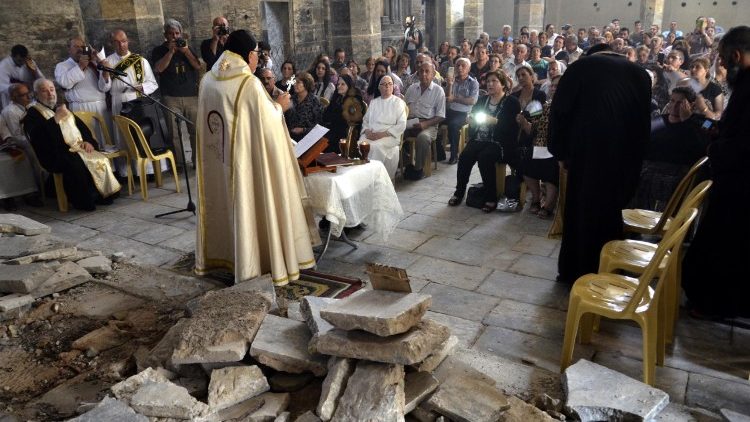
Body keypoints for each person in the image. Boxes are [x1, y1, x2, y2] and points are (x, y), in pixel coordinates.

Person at [195, 29, 315, 288]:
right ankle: (252, 262)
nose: (257, 61)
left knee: (224, 204)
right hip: (244, 165)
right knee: (247, 205)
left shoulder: (208, 80)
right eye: (257, 55)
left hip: (218, 161)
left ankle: (227, 256)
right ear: (250, 54)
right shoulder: (247, 83)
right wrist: (280, 106)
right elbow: (266, 123)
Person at [548, 46, 652, 285]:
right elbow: (643, 123)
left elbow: (559, 112)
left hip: (587, 154)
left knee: (581, 213)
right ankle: (610, 269)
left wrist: (560, 151)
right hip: (624, 157)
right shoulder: (640, 74)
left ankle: (578, 272)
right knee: (610, 212)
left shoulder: (580, 67)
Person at [683, 26, 750, 319]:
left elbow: (743, 143)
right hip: (735, 180)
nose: (720, 65)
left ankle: (714, 304)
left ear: (736, 55)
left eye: (722, 59)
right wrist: (713, 127)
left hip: (740, 185)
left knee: (726, 248)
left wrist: (716, 149)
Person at [23, 79, 120, 211]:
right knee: (76, 163)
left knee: (98, 157)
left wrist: (88, 141)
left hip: (77, 148)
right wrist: (55, 119)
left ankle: (103, 194)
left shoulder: (60, 108)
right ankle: (85, 200)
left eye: (51, 89)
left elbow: (82, 129)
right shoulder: (32, 114)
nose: (50, 93)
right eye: (44, 91)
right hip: (54, 154)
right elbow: (39, 139)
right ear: (36, 94)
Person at [448, 70, 520, 212]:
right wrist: (471, 120)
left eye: (494, 81)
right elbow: (474, 118)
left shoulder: (511, 102)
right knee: (464, 157)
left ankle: (491, 196)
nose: (490, 84)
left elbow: (512, 127)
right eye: (488, 82)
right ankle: (459, 192)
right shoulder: (482, 100)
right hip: (480, 138)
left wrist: (494, 121)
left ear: (503, 84)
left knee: (485, 158)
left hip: (499, 142)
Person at [630, 86, 709, 211]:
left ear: (691, 105)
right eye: (672, 101)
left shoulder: (702, 122)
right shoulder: (657, 121)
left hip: (679, 172)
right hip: (650, 168)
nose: (674, 106)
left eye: (680, 103)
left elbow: (706, 141)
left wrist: (687, 121)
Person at [106, 29, 159, 176]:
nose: (121, 45)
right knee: (123, 136)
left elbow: (153, 84)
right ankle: (127, 172)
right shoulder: (107, 62)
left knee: (140, 134)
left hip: (137, 102)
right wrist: (105, 75)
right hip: (118, 102)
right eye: (117, 42)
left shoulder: (140, 61)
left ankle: (147, 171)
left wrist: (141, 87)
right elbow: (103, 87)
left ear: (127, 41)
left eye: (123, 41)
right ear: (112, 44)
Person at [152, 19, 201, 169]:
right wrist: (171, 52)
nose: (174, 36)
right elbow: (159, 69)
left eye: (177, 33)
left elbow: (198, 66)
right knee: (174, 134)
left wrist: (185, 51)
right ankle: (180, 164)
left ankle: (197, 162)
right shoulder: (159, 50)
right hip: (170, 96)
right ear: (165, 35)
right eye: (171, 34)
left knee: (195, 130)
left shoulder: (188, 48)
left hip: (191, 95)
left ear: (181, 34)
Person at [517, 75, 561, 218]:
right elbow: (533, 130)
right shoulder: (546, 105)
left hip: (557, 147)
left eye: (557, 86)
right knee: (526, 166)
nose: (554, 88)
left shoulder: (568, 107)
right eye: (552, 86)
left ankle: (549, 205)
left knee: (550, 171)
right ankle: (536, 199)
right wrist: (523, 122)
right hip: (539, 144)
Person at [0, 83, 44, 209]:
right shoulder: (10, 111)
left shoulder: (32, 105)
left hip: (30, 140)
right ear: (14, 98)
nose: (28, 97)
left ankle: (47, 186)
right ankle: (29, 192)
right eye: (23, 95)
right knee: (27, 156)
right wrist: (36, 141)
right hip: (18, 143)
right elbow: (16, 135)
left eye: (28, 93)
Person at [357, 75, 406, 179]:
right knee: (362, 144)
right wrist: (366, 131)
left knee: (375, 147)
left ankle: (376, 178)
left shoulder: (398, 102)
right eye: (384, 84)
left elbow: (402, 124)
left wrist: (382, 134)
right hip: (372, 134)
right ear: (379, 87)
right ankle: (362, 177)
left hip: (389, 136)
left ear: (393, 87)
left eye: (390, 84)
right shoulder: (374, 102)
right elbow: (365, 120)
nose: (387, 86)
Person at [403, 62, 445, 180]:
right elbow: (403, 108)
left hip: (429, 125)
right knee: (393, 134)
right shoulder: (412, 88)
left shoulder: (438, 91)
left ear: (433, 75)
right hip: (410, 123)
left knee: (423, 138)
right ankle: (407, 163)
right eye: (421, 71)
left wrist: (425, 124)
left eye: (427, 72)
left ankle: (418, 169)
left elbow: (441, 116)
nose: (423, 74)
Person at [54, 37, 112, 120]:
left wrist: (105, 70)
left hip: (101, 107)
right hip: (81, 108)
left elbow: (105, 88)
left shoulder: (93, 63)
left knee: (105, 133)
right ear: (69, 49)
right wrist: (80, 66)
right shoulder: (62, 66)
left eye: (82, 47)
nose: (80, 49)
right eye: (76, 47)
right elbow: (65, 83)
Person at [444, 58, 479, 164]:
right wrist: (449, 84)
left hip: (464, 113)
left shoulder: (473, 83)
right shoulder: (452, 80)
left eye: (463, 66)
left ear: (468, 68)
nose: (459, 68)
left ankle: (454, 155)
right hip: (449, 110)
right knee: (434, 121)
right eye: (457, 65)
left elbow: (472, 101)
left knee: (453, 125)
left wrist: (455, 99)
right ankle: (439, 152)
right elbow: (447, 96)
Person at [321, 74, 363, 154]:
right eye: (338, 84)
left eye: (343, 84)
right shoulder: (337, 98)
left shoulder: (355, 99)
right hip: (334, 131)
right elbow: (325, 117)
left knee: (324, 145)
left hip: (347, 134)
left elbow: (347, 121)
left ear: (349, 86)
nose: (339, 86)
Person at [285, 71, 323, 141]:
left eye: (298, 82)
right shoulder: (291, 98)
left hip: (306, 138)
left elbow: (319, 127)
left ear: (306, 84)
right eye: (294, 82)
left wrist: (303, 130)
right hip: (288, 136)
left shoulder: (315, 102)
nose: (294, 84)